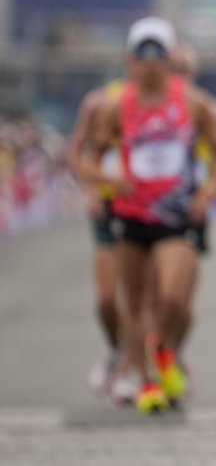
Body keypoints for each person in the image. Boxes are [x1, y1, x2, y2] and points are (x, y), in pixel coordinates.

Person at [78, 17, 216, 414]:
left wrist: (208, 192)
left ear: (169, 58)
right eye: (142, 54)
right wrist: (105, 180)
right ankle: (146, 380)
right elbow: (86, 157)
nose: (149, 63)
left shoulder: (192, 102)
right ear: (130, 60)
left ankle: (163, 349)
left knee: (172, 298)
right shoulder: (115, 107)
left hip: (176, 216)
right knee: (132, 303)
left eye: (157, 53)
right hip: (132, 215)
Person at [68, 78, 128, 400]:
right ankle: (115, 349)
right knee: (107, 299)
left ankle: (148, 360)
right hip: (110, 204)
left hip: (151, 207)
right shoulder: (100, 102)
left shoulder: (178, 101)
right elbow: (82, 151)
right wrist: (92, 188)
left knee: (147, 297)